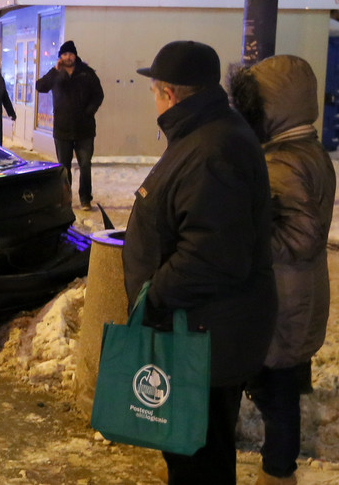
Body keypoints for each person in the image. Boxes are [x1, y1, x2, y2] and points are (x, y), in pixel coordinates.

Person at [124, 40, 276, 482]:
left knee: (198, 458)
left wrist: (153, 297)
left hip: (206, 337)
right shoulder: (204, 133)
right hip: (203, 331)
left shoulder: (213, 148)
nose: (153, 99)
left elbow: (211, 255)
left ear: (168, 93)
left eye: (154, 90)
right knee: (193, 452)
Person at [229, 55, 335, 485]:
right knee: (282, 384)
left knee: (277, 391)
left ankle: (277, 473)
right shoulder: (309, 151)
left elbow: (300, 237)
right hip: (300, 292)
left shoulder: (282, 163)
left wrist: (244, 243)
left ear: (272, 106)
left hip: (282, 298)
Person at [35, 40, 105, 211]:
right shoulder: (56, 73)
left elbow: (98, 95)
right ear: (60, 57)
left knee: (85, 165)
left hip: (85, 128)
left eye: (71, 54)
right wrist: (54, 70)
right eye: (65, 54)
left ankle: (85, 199)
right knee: (64, 168)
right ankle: (65, 199)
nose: (68, 57)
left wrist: (89, 112)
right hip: (62, 128)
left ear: (75, 55)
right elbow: (40, 87)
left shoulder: (87, 73)